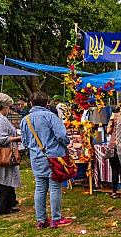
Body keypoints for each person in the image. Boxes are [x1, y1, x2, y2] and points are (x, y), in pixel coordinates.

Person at [20, 92, 72, 229]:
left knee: (40, 188)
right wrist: (66, 143)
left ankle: (41, 220)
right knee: (55, 187)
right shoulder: (50, 116)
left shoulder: (25, 119)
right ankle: (56, 218)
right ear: (46, 103)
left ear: (31, 103)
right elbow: (61, 135)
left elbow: (24, 141)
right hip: (54, 156)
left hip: (36, 157)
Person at [0, 93, 22, 215]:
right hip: (5, 152)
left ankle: (11, 201)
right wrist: (17, 138)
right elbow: (2, 139)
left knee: (4, 176)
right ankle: (2, 207)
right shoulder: (1, 119)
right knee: (5, 178)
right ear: (4, 106)